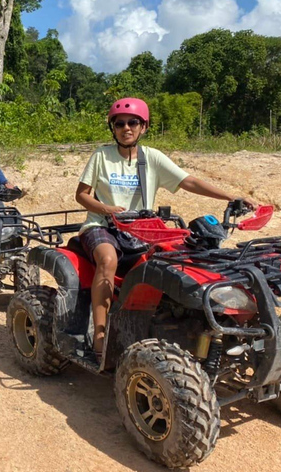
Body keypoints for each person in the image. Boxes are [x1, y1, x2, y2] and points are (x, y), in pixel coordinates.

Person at [76, 97, 257, 358]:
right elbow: (81, 195)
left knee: (180, 260)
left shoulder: (152, 158)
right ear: (112, 128)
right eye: (120, 124)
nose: (126, 128)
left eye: (133, 123)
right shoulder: (101, 156)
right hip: (102, 225)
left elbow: (190, 182)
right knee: (107, 259)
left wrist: (231, 197)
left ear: (144, 127)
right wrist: (106, 209)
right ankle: (101, 333)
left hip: (142, 228)